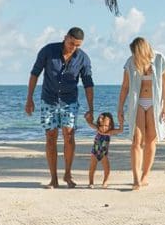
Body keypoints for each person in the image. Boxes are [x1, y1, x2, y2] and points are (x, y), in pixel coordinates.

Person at [24, 27, 95, 188]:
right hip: (49, 99)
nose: (74, 47)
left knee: (69, 136)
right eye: (72, 43)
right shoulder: (49, 51)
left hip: (69, 101)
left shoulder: (83, 58)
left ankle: (68, 174)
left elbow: (88, 84)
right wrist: (29, 98)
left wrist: (91, 108)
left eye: (78, 45)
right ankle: (53, 179)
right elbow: (35, 73)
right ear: (65, 38)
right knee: (50, 137)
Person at [117, 36, 165, 190]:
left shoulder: (160, 59)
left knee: (151, 140)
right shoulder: (131, 62)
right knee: (136, 140)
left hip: (155, 104)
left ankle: (145, 175)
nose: (134, 56)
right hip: (138, 103)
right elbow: (125, 87)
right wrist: (120, 108)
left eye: (136, 53)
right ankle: (135, 178)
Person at [84, 112, 122, 188]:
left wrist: (121, 121)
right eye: (101, 125)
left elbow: (120, 130)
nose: (103, 128)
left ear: (110, 126)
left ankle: (105, 181)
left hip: (104, 153)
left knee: (106, 167)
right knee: (92, 167)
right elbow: (90, 124)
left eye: (106, 126)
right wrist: (87, 118)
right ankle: (91, 182)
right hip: (94, 152)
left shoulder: (110, 132)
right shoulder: (98, 129)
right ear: (99, 125)